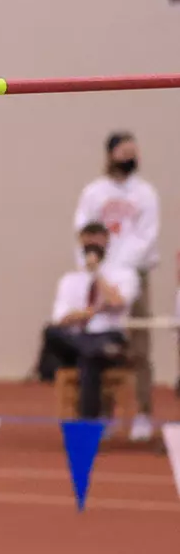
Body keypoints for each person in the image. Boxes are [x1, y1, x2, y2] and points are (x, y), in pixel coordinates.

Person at [73, 131, 160, 441]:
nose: (130, 157)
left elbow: (147, 235)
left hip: (135, 273)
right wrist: (94, 268)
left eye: (133, 152)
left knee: (139, 346)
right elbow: (83, 231)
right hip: (102, 276)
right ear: (110, 154)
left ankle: (143, 414)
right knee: (101, 343)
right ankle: (105, 415)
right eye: (124, 152)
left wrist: (123, 268)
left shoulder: (145, 193)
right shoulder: (95, 193)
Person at [42, 223, 137, 420]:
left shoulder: (124, 275)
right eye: (88, 242)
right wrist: (92, 311)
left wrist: (97, 273)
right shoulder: (70, 279)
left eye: (97, 240)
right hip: (78, 339)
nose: (92, 246)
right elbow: (61, 319)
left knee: (89, 359)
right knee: (52, 333)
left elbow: (117, 301)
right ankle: (91, 349)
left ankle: (87, 425)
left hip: (109, 336)